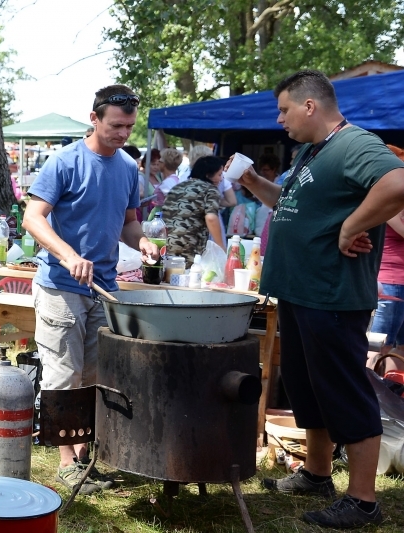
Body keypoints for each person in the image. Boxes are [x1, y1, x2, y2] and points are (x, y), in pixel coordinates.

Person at [232, 69, 404, 528]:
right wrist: (252, 182)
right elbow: (288, 204)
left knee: (344, 390)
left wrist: (352, 226)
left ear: (310, 106)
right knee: (308, 388)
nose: (279, 119)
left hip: (332, 294)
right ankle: (317, 473)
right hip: (299, 291)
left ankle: (364, 501)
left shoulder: (356, 144)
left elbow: (397, 183)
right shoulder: (311, 151)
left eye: (284, 109)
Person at [22, 85, 159, 496]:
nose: (123, 134)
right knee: (64, 373)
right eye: (116, 125)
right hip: (61, 286)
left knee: (94, 375)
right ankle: (66, 463)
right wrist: (67, 255)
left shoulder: (128, 168)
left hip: (104, 288)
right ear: (94, 118)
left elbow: (130, 222)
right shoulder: (64, 162)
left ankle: (83, 457)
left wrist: (143, 242)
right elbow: (32, 218)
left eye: (130, 127)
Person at [369, 145, 404, 373]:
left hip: (398, 281)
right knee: (377, 348)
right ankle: (363, 403)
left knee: (398, 348)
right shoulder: (386, 197)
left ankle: (391, 401)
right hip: (390, 281)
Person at [163, 156, 225, 264]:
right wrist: (221, 248)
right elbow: (211, 218)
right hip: (191, 247)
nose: (221, 179)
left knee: (172, 277)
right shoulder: (210, 189)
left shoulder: (177, 187)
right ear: (208, 175)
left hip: (168, 244)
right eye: (219, 175)